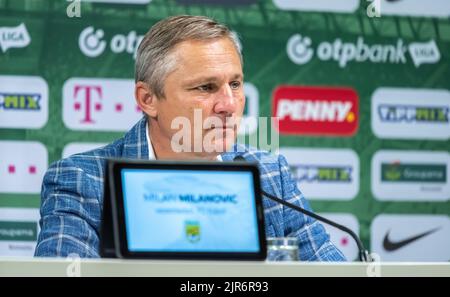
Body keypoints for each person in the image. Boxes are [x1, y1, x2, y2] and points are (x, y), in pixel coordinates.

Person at [35, 15, 345, 261]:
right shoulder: (82, 180)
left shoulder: (270, 175)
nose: (228, 105)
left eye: (235, 85)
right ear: (148, 99)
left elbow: (333, 272)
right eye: (205, 88)